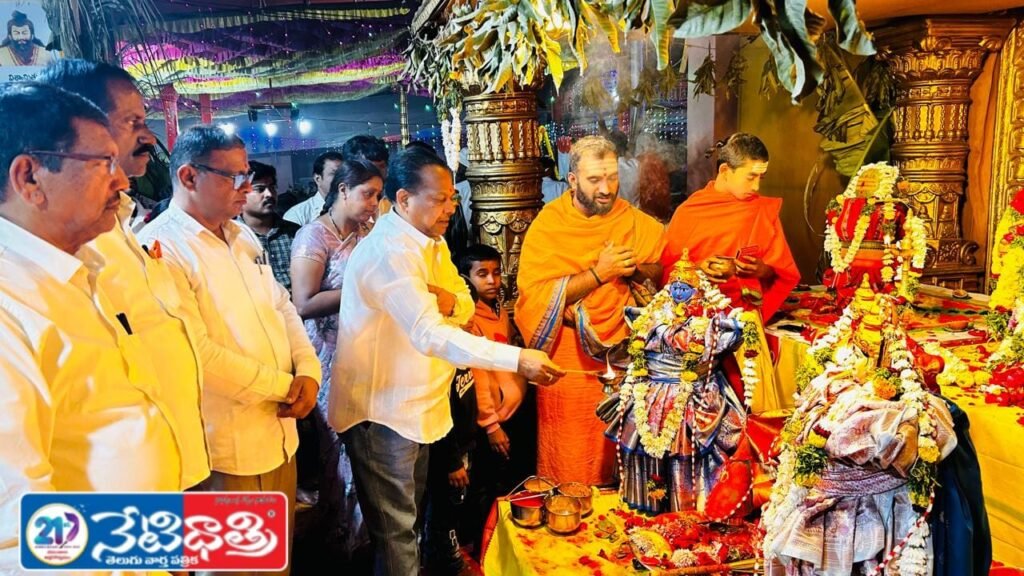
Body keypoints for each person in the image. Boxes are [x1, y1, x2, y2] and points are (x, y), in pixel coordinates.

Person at [329, 148, 564, 576]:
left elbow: (461, 305)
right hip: (382, 414)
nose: (449, 208)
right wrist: (516, 359)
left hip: (419, 408)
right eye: (438, 199)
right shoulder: (390, 253)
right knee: (397, 536)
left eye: (452, 198)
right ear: (403, 199)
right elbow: (430, 333)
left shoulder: (433, 245)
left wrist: (446, 300)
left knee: (413, 525)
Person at [0, 82, 180, 569]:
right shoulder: (10, 306)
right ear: (30, 178)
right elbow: (17, 527)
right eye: (103, 164)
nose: (122, 182)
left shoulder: (81, 270)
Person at [139, 126, 320, 576]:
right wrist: (284, 385)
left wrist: (308, 368)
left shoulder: (240, 237)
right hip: (226, 443)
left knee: (278, 561)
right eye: (233, 177)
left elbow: (280, 304)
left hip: (280, 431)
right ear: (187, 176)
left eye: (246, 173)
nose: (246, 186)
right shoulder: (161, 249)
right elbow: (195, 351)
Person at [37, 59, 209, 490]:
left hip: (173, 472)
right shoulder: (42, 273)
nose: (148, 137)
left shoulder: (115, 228)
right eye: (132, 121)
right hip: (115, 522)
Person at [515, 135, 665, 486]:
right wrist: (600, 273)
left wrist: (636, 269)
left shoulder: (633, 220)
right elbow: (535, 294)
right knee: (569, 455)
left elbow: (659, 269)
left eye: (612, 177)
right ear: (572, 180)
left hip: (627, 356)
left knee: (622, 451)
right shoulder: (549, 226)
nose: (607, 188)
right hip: (568, 355)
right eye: (595, 179)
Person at [660, 133, 800, 414]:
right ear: (725, 170)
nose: (757, 185)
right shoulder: (691, 211)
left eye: (761, 176)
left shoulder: (761, 210)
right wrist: (699, 269)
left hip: (745, 326)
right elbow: (666, 271)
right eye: (750, 177)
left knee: (749, 407)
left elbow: (781, 270)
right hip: (698, 329)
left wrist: (761, 269)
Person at [290, 158, 382, 559]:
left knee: (368, 454)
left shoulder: (370, 232)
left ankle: (367, 544)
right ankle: (340, 547)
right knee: (338, 455)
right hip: (330, 359)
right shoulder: (314, 237)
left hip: (369, 353)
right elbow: (304, 302)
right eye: (367, 194)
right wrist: (366, 289)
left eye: (378, 195)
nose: (374, 204)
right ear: (342, 190)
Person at [459, 244, 535, 537]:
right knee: (486, 489)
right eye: (482, 274)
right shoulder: (470, 320)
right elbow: (477, 377)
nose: (492, 281)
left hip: (510, 414)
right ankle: (483, 545)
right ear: (466, 279)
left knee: (510, 483)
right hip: (491, 423)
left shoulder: (496, 309)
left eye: (496, 272)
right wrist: (491, 426)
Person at [239, 160, 299, 292]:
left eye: (272, 187)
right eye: (260, 189)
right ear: (241, 193)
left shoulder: (295, 233)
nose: (269, 194)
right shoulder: (232, 236)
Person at [283, 150, 344, 227]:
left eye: (344, 173)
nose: (342, 178)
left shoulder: (354, 208)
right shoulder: (297, 215)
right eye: (334, 174)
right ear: (318, 179)